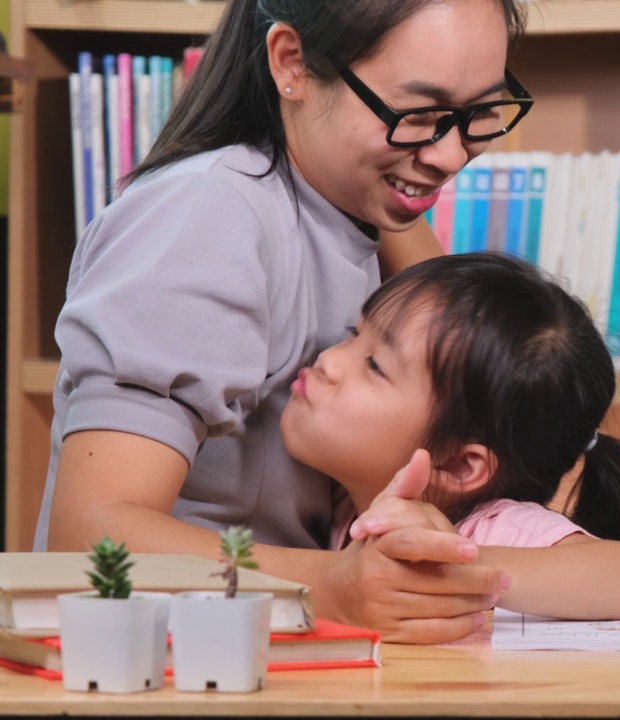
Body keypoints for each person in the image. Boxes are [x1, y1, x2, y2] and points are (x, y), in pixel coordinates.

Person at [38, 0, 534, 644]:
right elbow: (86, 539)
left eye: (477, 115)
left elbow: (475, 371)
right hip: (160, 666)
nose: (449, 157)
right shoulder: (210, 214)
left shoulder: (356, 206)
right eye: (418, 114)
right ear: (290, 63)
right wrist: (336, 586)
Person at [282, 253, 620, 619]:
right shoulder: (344, 498)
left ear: (459, 465)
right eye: (353, 333)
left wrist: (451, 564)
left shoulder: (489, 528)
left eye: (375, 366)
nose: (328, 360)